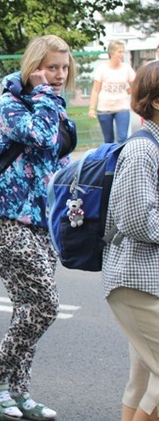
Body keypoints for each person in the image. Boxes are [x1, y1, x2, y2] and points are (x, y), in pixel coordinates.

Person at [0, 35, 77, 420]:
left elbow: (55, 156)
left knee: (27, 309)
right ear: (34, 67)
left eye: (64, 68)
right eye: (51, 67)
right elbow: (41, 136)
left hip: (42, 222)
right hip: (6, 218)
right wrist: (46, 94)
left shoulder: (54, 105)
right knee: (46, 305)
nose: (59, 75)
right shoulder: (10, 104)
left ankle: (18, 390)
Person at [103, 60, 159, 421]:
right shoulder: (142, 151)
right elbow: (138, 221)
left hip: (148, 279)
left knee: (143, 380)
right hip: (137, 281)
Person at [89, 40, 136, 144]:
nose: (122, 55)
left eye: (123, 52)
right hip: (105, 108)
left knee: (122, 138)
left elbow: (135, 86)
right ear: (111, 53)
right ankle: (110, 159)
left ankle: (122, 159)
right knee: (109, 139)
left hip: (122, 107)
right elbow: (95, 90)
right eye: (119, 52)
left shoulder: (126, 68)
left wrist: (126, 92)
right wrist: (92, 108)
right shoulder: (102, 69)